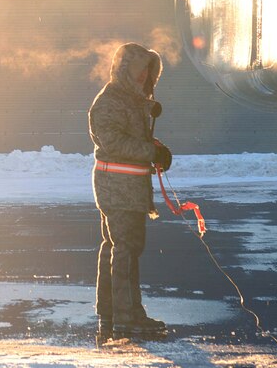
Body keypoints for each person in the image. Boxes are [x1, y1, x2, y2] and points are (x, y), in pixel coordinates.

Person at [88, 42, 173, 339]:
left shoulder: (129, 100)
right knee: (125, 250)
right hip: (118, 189)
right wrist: (151, 152)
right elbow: (114, 143)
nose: (144, 75)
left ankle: (112, 313)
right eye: (139, 69)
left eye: (148, 70)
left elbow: (129, 138)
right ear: (124, 69)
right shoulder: (110, 101)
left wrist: (154, 151)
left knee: (116, 248)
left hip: (126, 188)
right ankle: (127, 316)